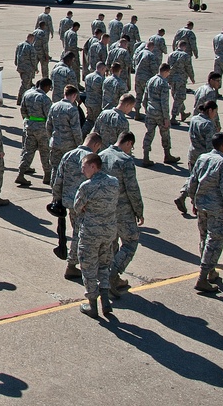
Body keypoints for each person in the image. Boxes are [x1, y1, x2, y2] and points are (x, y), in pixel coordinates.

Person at [73, 153, 119, 318]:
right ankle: (105, 300)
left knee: (88, 268)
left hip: (91, 234)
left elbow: (77, 207)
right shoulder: (114, 182)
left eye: (84, 166)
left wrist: (87, 207)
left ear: (94, 166)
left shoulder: (87, 186)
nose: (82, 169)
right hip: (109, 232)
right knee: (104, 265)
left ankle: (93, 305)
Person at [187, 132, 223, 293]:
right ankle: (202, 277)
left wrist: (193, 200)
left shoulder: (202, 158)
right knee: (214, 242)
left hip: (202, 205)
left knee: (204, 238)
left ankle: (211, 270)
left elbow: (192, 181)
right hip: (217, 208)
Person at [52, 132, 103, 280]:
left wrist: (57, 199)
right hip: (84, 205)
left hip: (68, 201)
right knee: (79, 235)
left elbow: (58, 179)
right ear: (96, 145)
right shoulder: (92, 160)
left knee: (77, 231)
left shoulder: (68, 155)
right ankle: (72, 265)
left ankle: (75, 263)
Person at [102, 132, 143, 298]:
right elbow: (132, 189)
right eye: (131, 147)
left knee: (111, 244)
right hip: (123, 209)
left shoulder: (102, 155)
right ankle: (113, 275)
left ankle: (108, 278)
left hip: (105, 208)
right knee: (131, 242)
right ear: (128, 143)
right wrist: (139, 211)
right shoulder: (125, 161)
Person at [142, 63, 179, 167]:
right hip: (160, 114)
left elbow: (145, 98)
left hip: (150, 112)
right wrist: (166, 118)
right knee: (165, 134)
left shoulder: (150, 80)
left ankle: (146, 156)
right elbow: (164, 103)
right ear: (166, 71)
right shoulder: (163, 83)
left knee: (149, 134)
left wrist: (146, 109)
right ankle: (167, 155)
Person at [17, 78, 53, 185]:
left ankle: (21, 173)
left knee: (28, 150)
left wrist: (28, 121)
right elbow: (49, 116)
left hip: (29, 125)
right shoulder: (45, 99)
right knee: (45, 151)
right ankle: (47, 175)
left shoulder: (27, 94)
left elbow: (23, 110)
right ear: (46, 87)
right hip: (42, 128)